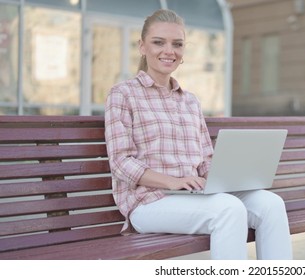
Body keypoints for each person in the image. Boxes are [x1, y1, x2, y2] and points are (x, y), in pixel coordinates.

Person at [104, 9, 292, 260]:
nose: (169, 51)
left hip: (194, 196)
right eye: (158, 42)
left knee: (271, 204)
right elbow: (120, 162)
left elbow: (205, 159)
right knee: (228, 209)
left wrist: (226, 178)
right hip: (148, 202)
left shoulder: (190, 101)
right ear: (142, 46)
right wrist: (171, 181)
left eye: (177, 44)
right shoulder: (123, 94)